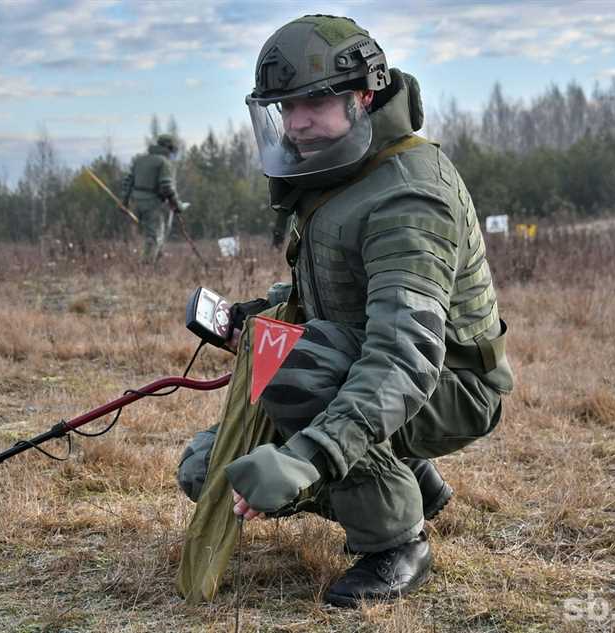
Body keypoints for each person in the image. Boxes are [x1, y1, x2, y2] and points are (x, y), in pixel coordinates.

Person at [176, 14, 513, 606]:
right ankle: (412, 480)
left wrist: (306, 458)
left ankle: (396, 542)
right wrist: (262, 314)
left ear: (364, 92)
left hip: (450, 385)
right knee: (208, 470)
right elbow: (338, 299)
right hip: (368, 368)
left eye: (314, 101)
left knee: (297, 369)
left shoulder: (409, 197)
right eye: (285, 106)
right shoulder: (341, 172)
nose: (298, 122)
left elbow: (403, 357)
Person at [121, 134, 183, 264]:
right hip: (152, 203)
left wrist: (124, 202)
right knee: (155, 237)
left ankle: (147, 265)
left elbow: (128, 182)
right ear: (169, 147)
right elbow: (166, 186)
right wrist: (177, 205)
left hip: (135, 201)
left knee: (138, 236)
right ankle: (146, 268)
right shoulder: (164, 162)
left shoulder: (140, 160)